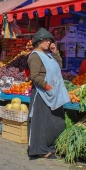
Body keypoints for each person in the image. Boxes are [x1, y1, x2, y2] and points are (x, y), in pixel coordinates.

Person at [27, 28, 70, 158]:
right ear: (39, 41)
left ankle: (50, 146)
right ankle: (40, 150)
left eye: (50, 41)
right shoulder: (35, 56)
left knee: (55, 122)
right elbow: (34, 76)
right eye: (46, 40)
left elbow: (59, 66)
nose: (49, 43)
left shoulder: (49, 55)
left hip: (53, 93)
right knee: (42, 122)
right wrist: (47, 86)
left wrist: (55, 52)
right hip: (42, 94)